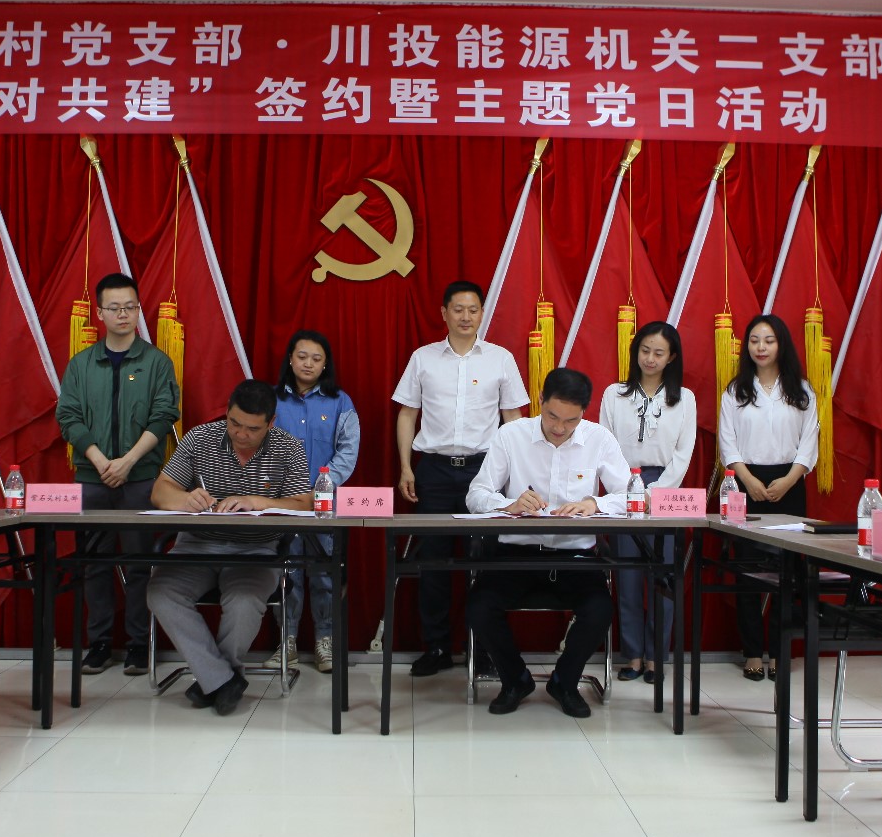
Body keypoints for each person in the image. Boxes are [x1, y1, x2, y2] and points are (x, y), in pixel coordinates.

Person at [465, 367, 631, 718]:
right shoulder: (511, 435)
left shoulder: (599, 439)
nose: (559, 428)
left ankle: (564, 682)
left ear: (584, 412)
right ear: (540, 400)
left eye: (571, 421)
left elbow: (632, 496)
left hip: (575, 558)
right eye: (553, 416)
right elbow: (476, 494)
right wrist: (508, 504)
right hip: (516, 554)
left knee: (600, 609)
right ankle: (515, 680)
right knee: (479, 607)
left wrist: (595, 504)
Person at [146, 380, 313, 716]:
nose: (241, 434)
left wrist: (257, 501)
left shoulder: (288, 448)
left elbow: (304, 503)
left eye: (252, 429)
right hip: (196, 545)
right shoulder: (200, 438)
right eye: (234, 423)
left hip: (256, 550)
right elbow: (160, 491)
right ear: (226, 412)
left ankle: (213, 678)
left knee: (244, 601)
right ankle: (223, 680)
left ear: (271, 422)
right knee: (160, 593)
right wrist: (185, 499)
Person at [392, 280, 529, 676]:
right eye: (458, 309)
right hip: (433, 471)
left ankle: (484, 649)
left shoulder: (500, 359)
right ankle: (436, 647)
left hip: (484, 471)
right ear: (444, 313)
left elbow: (513, 419)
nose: (466, 317)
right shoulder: (423, 358)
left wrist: (513, 476)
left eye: (473, 309)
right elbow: (407, 414)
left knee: (485, 563)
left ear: (482, 313)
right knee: (433, 562)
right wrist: (406, 467)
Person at [54, 272, 180, 676]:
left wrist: (127, 462)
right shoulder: (81, 365)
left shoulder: (157, 362)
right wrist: (99, 461)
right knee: (94, 563)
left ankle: (139, 644)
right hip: (92, 480)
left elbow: (164, 415)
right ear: (100, 313)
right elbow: (68, 417)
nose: (123, 314)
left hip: (140, 478)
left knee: (141, 563)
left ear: (139, 309)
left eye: (130, 307)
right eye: (115, 308)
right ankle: (100, 643)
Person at [717, 313, 819, 681]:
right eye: (754, 340)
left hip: (789, 483)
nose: (761, 347)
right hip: (745, 483)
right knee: (747, 571)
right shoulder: (736, 391)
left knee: (787, 574)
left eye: (769, 341)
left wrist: (790, 479)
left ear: (781, 345)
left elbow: (809, 441)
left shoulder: (802, 391)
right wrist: (747, 479)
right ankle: (752, 652)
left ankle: (779, 650)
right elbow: (727, 441)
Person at [598, 321, 696, 684]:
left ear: (672, 357)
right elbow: (605, 448)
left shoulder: (684, 398)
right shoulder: (614, 394)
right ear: (635, 352)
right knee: (627, 577)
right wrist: (630, 490)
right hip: (623, 487)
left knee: (664, 576)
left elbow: (683, 454)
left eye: (658, 353)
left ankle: (657, 658)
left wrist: (655, 492)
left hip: (666, 491)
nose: (650, 359)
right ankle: (633, 656)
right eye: (644, 351)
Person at [263, 330, 359, 674]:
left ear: (325, 365)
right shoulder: (271, 400)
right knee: (285, 571)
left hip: (324, 504)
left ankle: (325, 640)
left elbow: (347, 451)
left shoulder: (340, 402)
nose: (308, 364)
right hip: (282, 502)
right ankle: (286, 640)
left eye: (316, 359)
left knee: (324, 572)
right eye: (302, 356)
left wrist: (321, 487)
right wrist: (285, 489)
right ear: (290, 359)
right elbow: (258, 448)